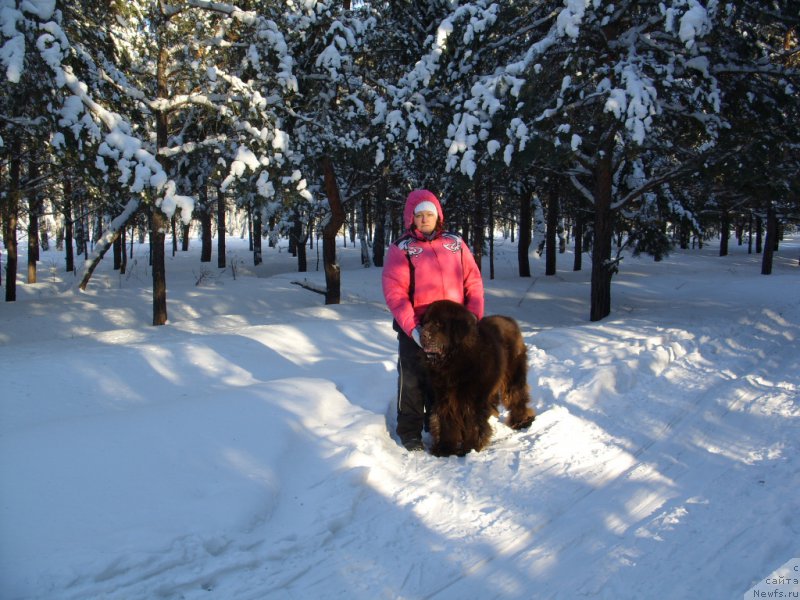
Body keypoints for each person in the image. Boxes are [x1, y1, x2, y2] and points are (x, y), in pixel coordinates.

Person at [382, 189, 485, 451]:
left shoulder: (455, 243)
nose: (425, 219)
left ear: (438, 215)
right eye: (420, 215)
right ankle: (410, 432)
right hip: (417, 328)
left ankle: (442, 426)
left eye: (430, 214)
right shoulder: (402, 248)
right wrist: (413, 328)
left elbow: (472, 280)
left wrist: (473, 316)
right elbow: (396, 293)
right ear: (411, 218)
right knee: (413, 380)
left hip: (453, 330)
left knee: (447, 380)